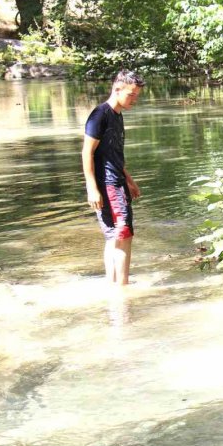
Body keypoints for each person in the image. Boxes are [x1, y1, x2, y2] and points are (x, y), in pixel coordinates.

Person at [82, 69, 145, 284]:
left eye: (137, 95)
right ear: (117, 89)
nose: (134, 99)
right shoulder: (100, 115)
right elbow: (87, 152)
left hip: (117, 182)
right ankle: (122, 287)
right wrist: (92, 188)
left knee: (115, 235)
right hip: (108, 184)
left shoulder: (118, 115)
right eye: (131, 94)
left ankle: (114, 285)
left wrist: (130, 180)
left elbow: (113, 153)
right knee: (123, 234)